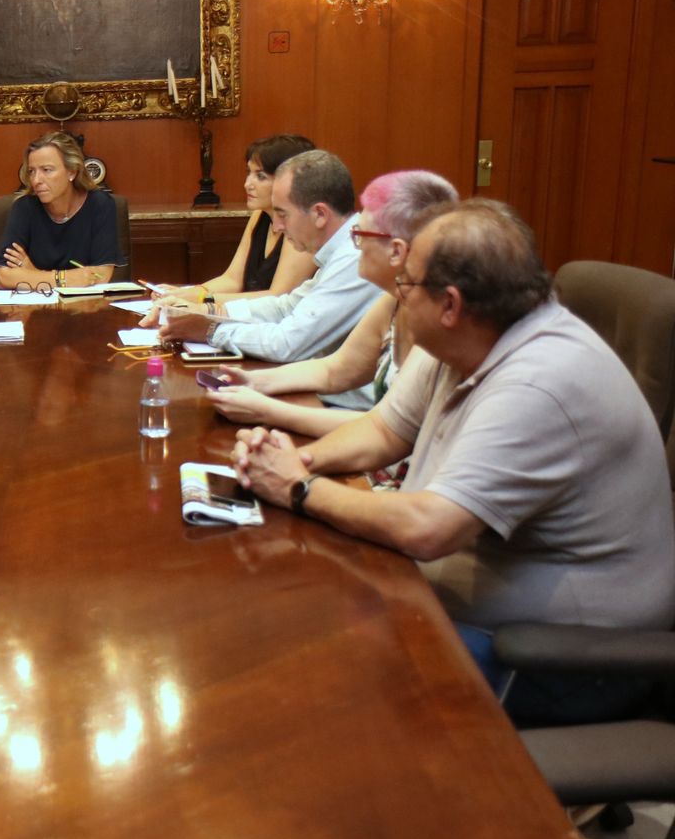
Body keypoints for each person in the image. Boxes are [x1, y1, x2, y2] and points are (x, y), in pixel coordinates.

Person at [232, 200, 675, 713]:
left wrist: (296, 488)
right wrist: (292, 463)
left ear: (450, 304)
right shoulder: (466, 335)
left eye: (407, 284)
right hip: (468, 602)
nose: (397, 295)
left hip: (564, 657)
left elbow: (428, 529)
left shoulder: (541, 381)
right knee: (299, 619)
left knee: (327, 680)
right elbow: (381, 430)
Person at [208, 170, 459, 443]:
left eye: (361, 232)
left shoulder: (439, 320)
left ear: (397, 251)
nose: (355, 242)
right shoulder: (394, 299)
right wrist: (255, 383)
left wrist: (270, 412)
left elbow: (386, 429)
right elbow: (335, 369)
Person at [150, 149, 378, 378]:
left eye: (283, 214)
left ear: (319, 214)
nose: (277, 227)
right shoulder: (341, 252)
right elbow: (286, 307)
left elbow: (288, 343)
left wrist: (212, 329)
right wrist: (210, 311)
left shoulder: (356, 257)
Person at [156, 134, 317, 304]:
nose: (248, 184)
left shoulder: (304, 227)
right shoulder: (259, 215)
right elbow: (232, 279)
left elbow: (277, 297)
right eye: (249, 173)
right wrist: (188, 292)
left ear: (289, 180)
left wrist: (202, 299)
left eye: (260, 176)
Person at [0, 131, 124, 290]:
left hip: (86, 309)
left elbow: (101, 276)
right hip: (34, 311)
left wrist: (33, 273)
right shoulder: (24, 207)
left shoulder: (100, 205)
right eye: (32, 171)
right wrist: (64, 278)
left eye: (47, 170)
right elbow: (4, 277)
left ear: (72, 171)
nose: (36, 180)